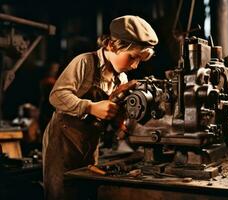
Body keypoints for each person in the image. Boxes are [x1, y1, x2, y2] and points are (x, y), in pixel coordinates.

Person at [42, 15, 158, 200]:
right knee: (62, 192)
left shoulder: (121, 78)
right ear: (112, 45)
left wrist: (120, 122)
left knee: (86, 190)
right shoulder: (84, 63)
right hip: (63, 143)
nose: (135, 66)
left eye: (139, 62)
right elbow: (56, 96)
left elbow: (111, 110)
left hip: (89, 143)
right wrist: (90, 107)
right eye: (132, 58)